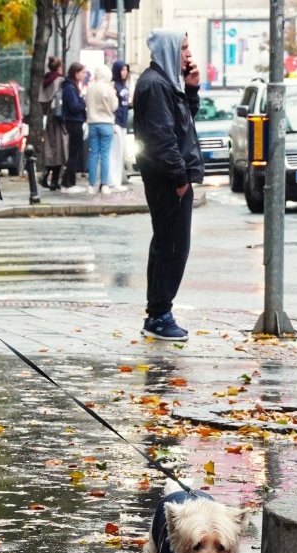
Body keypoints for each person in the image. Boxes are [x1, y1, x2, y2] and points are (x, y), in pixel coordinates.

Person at [133, 30, 203, 341]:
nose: (188, 54)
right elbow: (161, 138)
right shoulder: (155, 85)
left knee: (167, 244)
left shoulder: (165, 83)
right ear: (170, 50)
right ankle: (159, 315)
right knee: (173, 247)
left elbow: (183, 123)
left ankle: (159, 313)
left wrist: (191, 91)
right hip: (168, 181)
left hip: (171, 179)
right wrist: (179, 180)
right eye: (183, 48)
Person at [85, 64, 118, 194]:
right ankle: (104, 184)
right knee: (105, 155)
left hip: (92, 123)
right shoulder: (108, 88)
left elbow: (86, 104)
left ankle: (91, 185)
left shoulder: (90, 88)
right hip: (106, 123)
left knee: (93, 154)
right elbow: (114, 106)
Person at [38, 57, 66, 191]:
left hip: (49, 117)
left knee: (51, 149)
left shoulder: (45, 81)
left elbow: (42, 102)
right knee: (59, 150)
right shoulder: (60, 81)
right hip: (59, 119)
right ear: (59, 67)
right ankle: (53, 180)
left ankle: (46, 176)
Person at [59, 62, 88, 192]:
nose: (84, 75)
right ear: (76, 73)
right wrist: (83, 103)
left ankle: (70, 181)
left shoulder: (72, 87)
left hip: (75, 121)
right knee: (73, 153)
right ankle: (67, 183)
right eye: (82, 72)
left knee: (74, 153)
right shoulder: (70, 88)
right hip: (73, 122)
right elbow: (74, 106)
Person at [109, 60, 131, 190]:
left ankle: (117, 180)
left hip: (123, 123)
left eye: (126, 70)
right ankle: (113, 181)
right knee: (114, 153)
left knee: (120, 153)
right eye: (122, 70)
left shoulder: (124, 86)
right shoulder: (114, 86)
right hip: (116, 123)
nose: (125, 72)